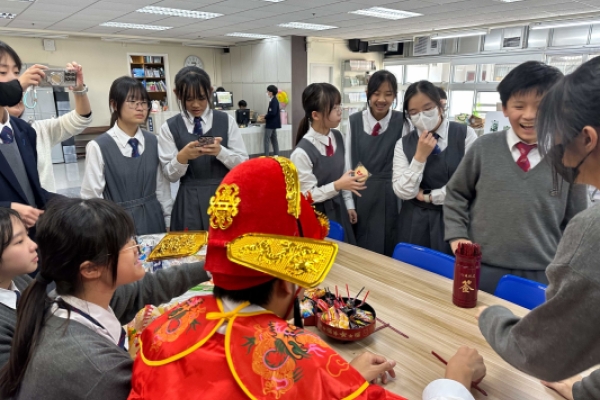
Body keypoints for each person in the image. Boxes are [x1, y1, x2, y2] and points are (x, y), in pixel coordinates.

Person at [128, 156, 487, 400]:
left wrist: (340, 378)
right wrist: (454, 381)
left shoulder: (163, 326)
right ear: (288, 281)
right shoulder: (300, 359)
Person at [0, 198, 212, 399]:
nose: (137, 248)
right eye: (126, 244)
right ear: (90, 269)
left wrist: (211, 266)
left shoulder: (72, 300)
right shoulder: (99, 368)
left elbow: (146, 288)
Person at [477, 56, 600, 400]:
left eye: (555, 139)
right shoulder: (485, 149)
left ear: (587, 139)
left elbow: (539, 353)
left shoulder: (592, 231)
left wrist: (491, 315)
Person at [444, 61, 588, 292]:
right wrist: (457, 235)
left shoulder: (570, 157)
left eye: (541, 107)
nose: (529, 116)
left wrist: (565, 266)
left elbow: (577, 222)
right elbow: (456, 194)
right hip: (481, 266)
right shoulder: (484, 148)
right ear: (504, 108)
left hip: (542, 273)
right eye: (519, 106)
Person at [158, 66, 248, 232]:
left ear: (210, 91)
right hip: (188, 201)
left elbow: (243, 165)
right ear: (177, 94)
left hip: (224, 198)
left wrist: (221, 152)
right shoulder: (169, 128)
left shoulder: (226, 121)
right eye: (188, 99)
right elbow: (169, 175)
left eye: (201, 97)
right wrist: (182, 157)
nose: (195, 104)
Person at [393, 81, 478, 255]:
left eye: (427, 108)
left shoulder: (465, 135)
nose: (422, 116)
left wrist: (429, 196)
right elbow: (403, 191)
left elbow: (470, 186)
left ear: (440, 105)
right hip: (414, 221)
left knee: (452, 268)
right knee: (411, 267)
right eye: (414, 112)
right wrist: (419, 157)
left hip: (456, 220)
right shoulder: (403, 144)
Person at [81, 76, 172, 235]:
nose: (140, 108)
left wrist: (168, 220)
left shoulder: (154, 141)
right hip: (118, 225)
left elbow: (162, 188)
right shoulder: (98, 146)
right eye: (133, 102)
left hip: (154, 218)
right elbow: (92, 198)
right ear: (114, 105)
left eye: (144, 102)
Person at [0, 41, 62, 240]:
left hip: (33, 238)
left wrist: (78, 206)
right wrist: (8, 208)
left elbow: (32, 190)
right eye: (2, 72)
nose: (13, 78)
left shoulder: (24, 131)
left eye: (16, 72)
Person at [291, 83, 364, 244]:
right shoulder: (301, 153)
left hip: (340, 210)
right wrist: (337, 186)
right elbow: (306, 196)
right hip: (317, 218)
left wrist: (349, 205)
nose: (340, 111)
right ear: (315, 115)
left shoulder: (338, 136)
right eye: (334, 107)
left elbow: (345, 175)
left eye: (339, 105)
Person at [11, 62, 93, 192]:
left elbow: (81, 119)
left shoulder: (37, 130)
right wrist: (14, 89)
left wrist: (79, 90)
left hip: (45, 203)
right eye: (3, 73)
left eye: (16, 73)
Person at [347, 70, 404, 256]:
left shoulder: (402, 121)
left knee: (390, 244)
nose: (381, 99)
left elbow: (405, 162)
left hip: (392, 194)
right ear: (367, 94)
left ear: (395, 96)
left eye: (388, 94)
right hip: (361, 190)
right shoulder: (355, 121)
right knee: (361, 246)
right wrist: (350, 203)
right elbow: (350, 161)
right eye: (376, 93)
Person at [262, 84, 280, 156]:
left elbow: (273, 113)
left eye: (268, 91)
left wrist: (265, 117)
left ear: (271, 92)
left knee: (267, 140)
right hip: (273, 123)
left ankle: (266, 156)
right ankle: (276, 155)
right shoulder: (273, 100)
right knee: (274, 140)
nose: (267, 93)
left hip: (271, 124)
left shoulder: (274, 101)